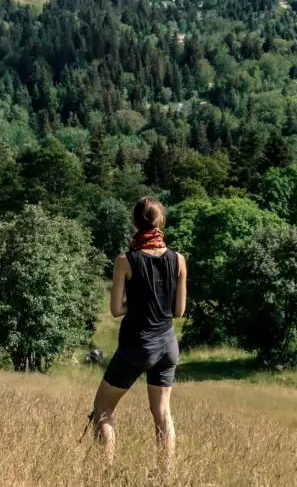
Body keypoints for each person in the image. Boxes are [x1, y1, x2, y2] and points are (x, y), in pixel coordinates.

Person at [88, 197, 187, 470]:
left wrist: (138, 302)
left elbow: (116, 310)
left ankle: (105, 472)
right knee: (163, 414)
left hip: (137, 345)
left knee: (103, 410)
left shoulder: (124, 261)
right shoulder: (178, 260)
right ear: (160, 222)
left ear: (135, 222)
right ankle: (166, 474)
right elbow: (178, 311)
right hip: (168, 344)